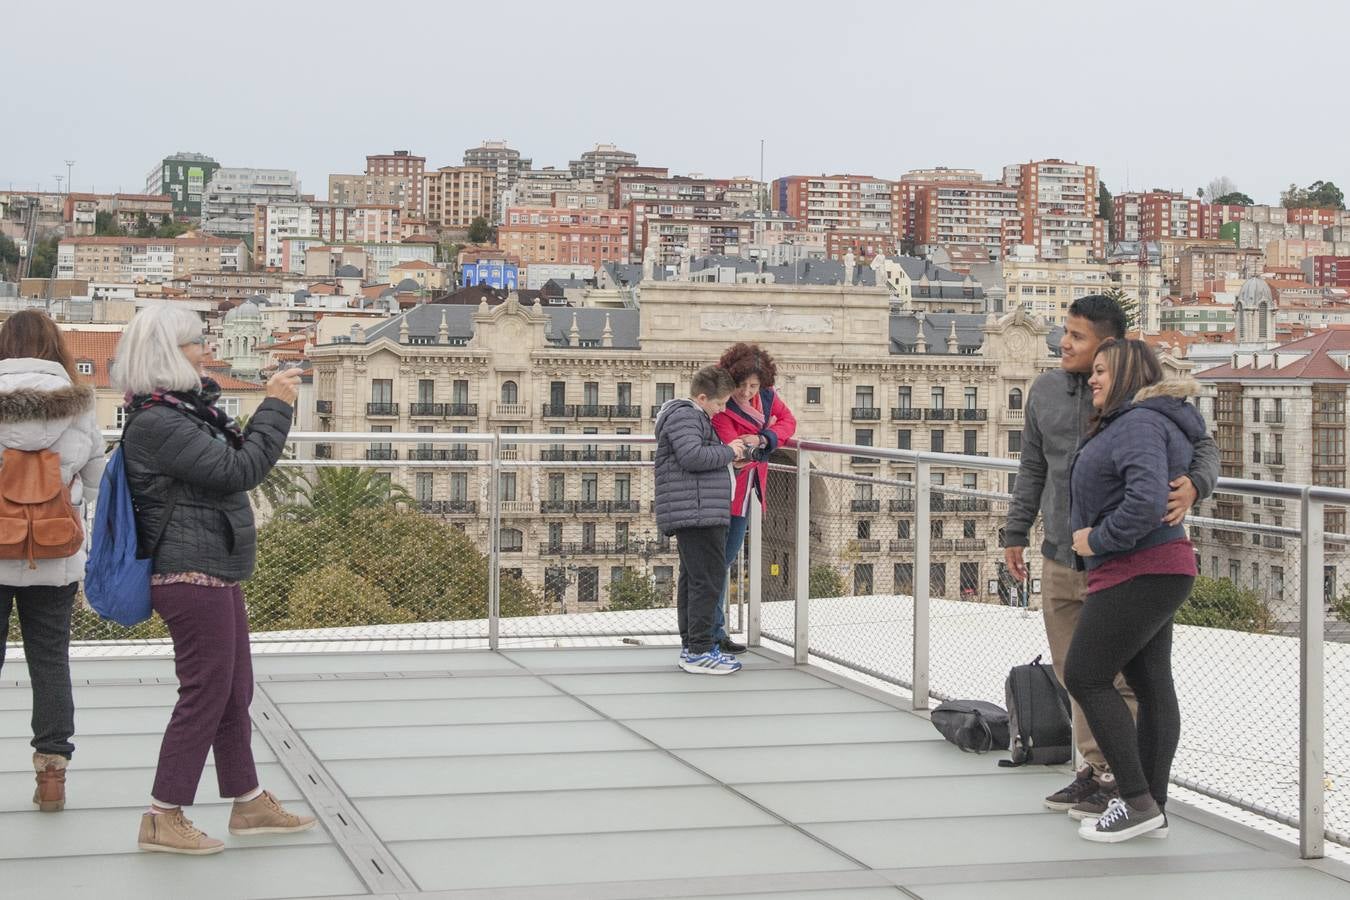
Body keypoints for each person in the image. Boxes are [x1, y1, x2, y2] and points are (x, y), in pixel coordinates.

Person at [1003, 294, 1218, 820]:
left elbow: (1202, 447)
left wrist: (1194, 485)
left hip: (1125, 558)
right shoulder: (1047, 390)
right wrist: (1015, 530)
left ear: (1111, 347)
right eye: (1063, 333)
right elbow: (1032, 466)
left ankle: (1129, 787)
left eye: (1076, 336)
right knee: (1073, 669)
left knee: (1112, 676)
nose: (1063, 343)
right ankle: (1098, 773)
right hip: (1061, 554)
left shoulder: (1145, 400)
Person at [113, 304, 313, 855]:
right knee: (204, 692)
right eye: (195, 343)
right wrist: (275, 406)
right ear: (167, 355)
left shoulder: (181, 411)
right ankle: (162, 814)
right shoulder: (158, 422)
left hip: (212, 565)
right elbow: (240, 470)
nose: (205, 349)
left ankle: (246, 799)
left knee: (233, 689)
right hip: (187, 571)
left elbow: (228, 464)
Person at [1065, 338, 1204, 842]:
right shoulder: (1137, 421)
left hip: (1137, 567)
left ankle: (1136, 800)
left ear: (1126, 375)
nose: (1093, 378)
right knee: (1150, 685)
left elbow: (1145, 499)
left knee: (1086, 675)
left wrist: (1094, 539)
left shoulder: (1138, 424)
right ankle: (1152, 806)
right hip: (1154, 566)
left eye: (1102, 371)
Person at [0, 310, 106, 812]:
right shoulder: (79, 402)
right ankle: (52, 777)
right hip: (55, 552)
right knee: (49, 661)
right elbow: (97, 470)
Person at [654, 366, 748, 675]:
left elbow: (695, 452)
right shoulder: (686, 416)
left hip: (697, 508)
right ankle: (700, 650)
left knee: (695, 580)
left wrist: (725, 454)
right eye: (720, 404)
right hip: (696, 512)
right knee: (707, 580)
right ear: (703, 397)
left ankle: (694, 646)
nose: (722, 410)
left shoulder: (693, 417)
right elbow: (692, 456)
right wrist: (727, 451)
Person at [710, 343, 796, 654]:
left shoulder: (769, 398)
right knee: (717, 563)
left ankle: (714, 631)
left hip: (747, 490)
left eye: (754, 386)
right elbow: (731, 443)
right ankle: (712, 632)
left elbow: (788, 422)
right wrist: (763, 436)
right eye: (742, 384)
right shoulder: (720, 402)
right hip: (722, 490)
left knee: (723, 562)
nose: (747, 392)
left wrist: (764, 438)